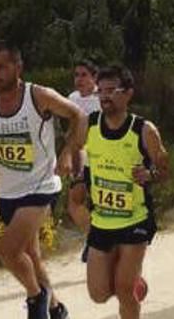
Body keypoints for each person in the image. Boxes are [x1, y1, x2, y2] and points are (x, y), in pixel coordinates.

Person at [0, 41, 87, 319]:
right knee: (31, 257)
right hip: (8, 189)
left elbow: (79, 116)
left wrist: (69, 152)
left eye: (2, 67)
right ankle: (57, 310)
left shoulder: (39, 96)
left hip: (41, 186)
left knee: (8, 251)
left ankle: (37, 299)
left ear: (18, 67)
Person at [85, 66, 169, 319]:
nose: (104, 96)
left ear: (128, 94)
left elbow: (165, 170)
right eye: (100, 91)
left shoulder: (144, 130)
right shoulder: (88, 125)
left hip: (136, 218)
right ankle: (136, 282)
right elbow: (75, 150)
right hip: (101, 220)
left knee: (123, 290)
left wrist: (150, 175)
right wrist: (73, 169)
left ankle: (129, 283)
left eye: (111, 90)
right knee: (98, 294)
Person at [67, 60, 102, 263]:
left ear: (94, 78)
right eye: (76, 75)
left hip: (101, 161)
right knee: (74, 203)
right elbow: (71, 130)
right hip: (81, 159)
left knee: (100, 207)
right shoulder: (72, 99)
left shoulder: (102, 99)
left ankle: (104, 244)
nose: (78, 79)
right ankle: (94, 238)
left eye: (83, 75)